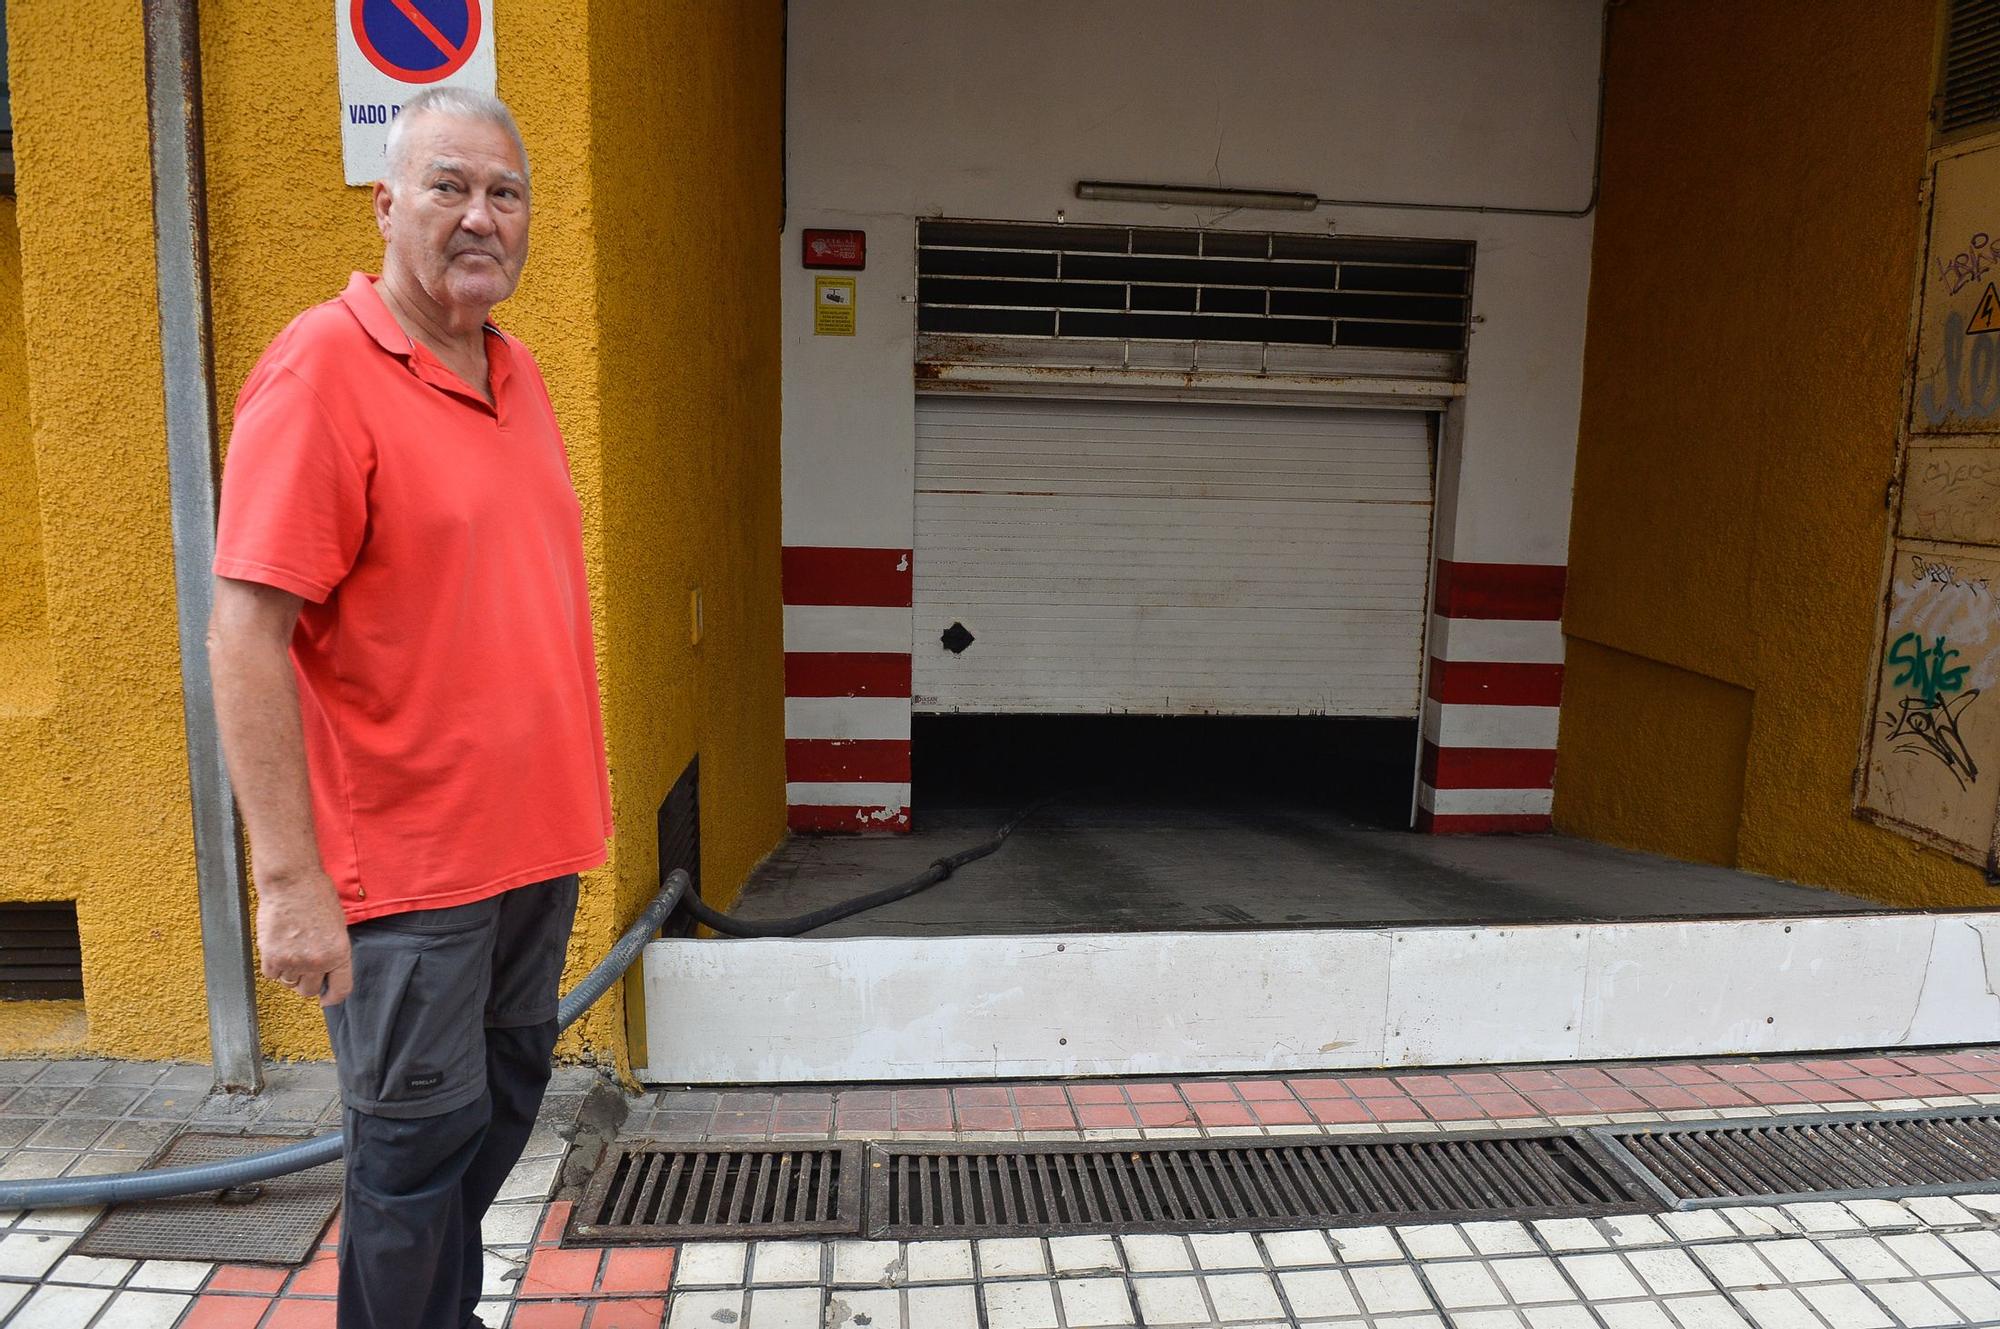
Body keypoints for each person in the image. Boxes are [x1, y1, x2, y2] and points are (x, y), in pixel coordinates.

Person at [207, 87, 612, 1329]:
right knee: (410, 1164)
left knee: (481, 1134)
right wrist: (288, 884)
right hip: (412, 881)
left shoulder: (516, 370)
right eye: (449, 187)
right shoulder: (322, 371)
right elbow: (245, 633)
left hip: (534, 857)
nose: (480, 216)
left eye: (504, 193)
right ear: (386, 204)